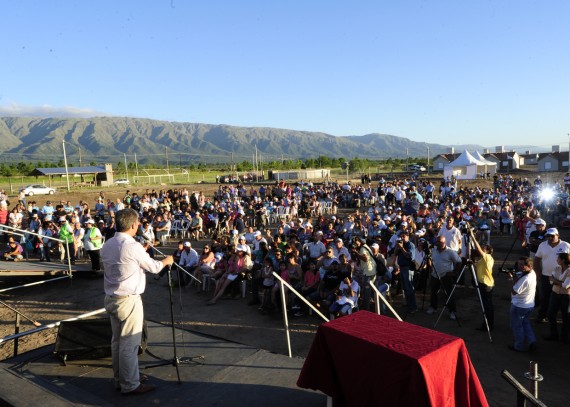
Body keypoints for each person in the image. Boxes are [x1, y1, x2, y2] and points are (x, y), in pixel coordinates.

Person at [101, 208, 174, 395]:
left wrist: (141, 253)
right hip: (129, 301)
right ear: (133, 225)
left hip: (111, 298)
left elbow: (125, 262)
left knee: (117, 342)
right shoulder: (132, 246)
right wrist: (167, 260)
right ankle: (130, 384)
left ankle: (122, 378)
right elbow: (155, 267)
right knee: (129, 344)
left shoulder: (107, 244)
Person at [533, 228, 570, 323]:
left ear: (558, 235)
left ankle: (562, 317)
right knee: (545, 297)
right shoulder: (542, 245)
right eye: (548, 236)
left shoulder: (566, 245)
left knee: (562, 297)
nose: (549, 238)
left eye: (552, 236)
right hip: (546, 276)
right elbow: (537, 259)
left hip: (563, 277)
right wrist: (538, 273)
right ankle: (542, 315)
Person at [426, 235, 461, 320]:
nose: (437, 243)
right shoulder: (433, 250)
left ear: (444, 243)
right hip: (435, 275)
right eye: (437, 242)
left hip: (446, 276)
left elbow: (459, 261)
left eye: (439, 242)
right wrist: (430, 265)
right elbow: (431, 259)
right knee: (433, 292)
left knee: (449, 294)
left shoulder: (450, 252)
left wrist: (454, 272)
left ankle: (452, 311)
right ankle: (433, 307)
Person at [509, 257, 537, 352]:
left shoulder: (525, 279)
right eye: (519, 264)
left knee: (517, 326)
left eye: (522, 265)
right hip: (529, 305)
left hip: (519, 306)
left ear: (529, 266)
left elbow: (514, 291)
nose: (519, 266)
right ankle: (531, 341)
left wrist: (512, 279)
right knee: (525, 323)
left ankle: (519, 346)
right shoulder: (532, 273)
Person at [469, 228, 495, 330]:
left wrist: (472, 236)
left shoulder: (487, 257)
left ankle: (488, 325)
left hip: (486, 284)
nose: (482, 248)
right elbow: (476, 267)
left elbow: (478, 249)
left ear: (488, 250)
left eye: (484, 247)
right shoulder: (483, 260)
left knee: (487, 305)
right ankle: (488, 323)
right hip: (484, 282)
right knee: (486, 305)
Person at [544, 252, 570, 342]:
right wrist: (560, 282)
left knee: (566, 317)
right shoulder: (557, 268)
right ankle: (554, 334)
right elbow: (551, 281)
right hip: (555, 294)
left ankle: (565, 336)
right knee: (551, 314)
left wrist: (555, 280)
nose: (557, 260)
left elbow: (566, 285)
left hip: (566, 296)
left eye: (558, 258)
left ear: (563, 260)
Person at [392, 231, 417, 313]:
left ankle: (413, 307)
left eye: (403, 236)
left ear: (408, 236)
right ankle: (408, 303)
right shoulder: (401, 244)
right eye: (401, 236)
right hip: (402, 268)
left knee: (409, 288)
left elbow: (409, 256)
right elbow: (395, 253)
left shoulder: (410, 245)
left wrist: (402, 248)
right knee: (405, 288)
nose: (402, 238)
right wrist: (397, 246)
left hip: (408, 268)